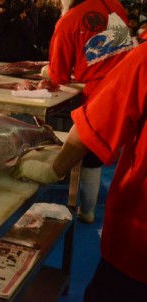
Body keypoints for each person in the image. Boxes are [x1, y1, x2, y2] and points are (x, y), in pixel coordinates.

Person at [13, 41, 147, 301]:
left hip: (139, 243)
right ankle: (87, 210)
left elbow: (60, 77)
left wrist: (53, 169)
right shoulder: (116, 11)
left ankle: (84, 209)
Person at [42, 0, 133, 223]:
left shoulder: (68, 21)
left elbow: (58, 76)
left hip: (100, 94)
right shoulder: (114, 6)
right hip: (129, 86)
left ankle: (86, 210)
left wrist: (45, 71)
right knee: (130, 154)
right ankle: (94, 210)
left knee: (89, 146)